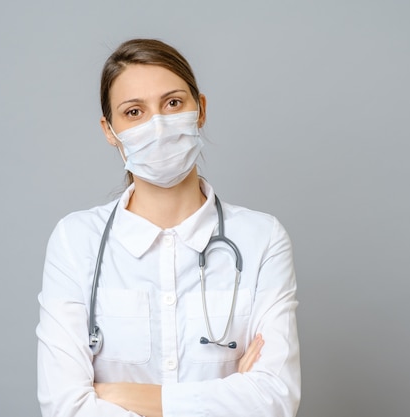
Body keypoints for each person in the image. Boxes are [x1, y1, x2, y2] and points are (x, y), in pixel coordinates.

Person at [36, 38, 300, 417]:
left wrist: (124, 395)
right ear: (110, 131)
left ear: (201, 110)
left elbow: (275, 400)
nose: (158, 126)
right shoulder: (75, 241)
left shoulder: (262, 238)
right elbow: (65, 407)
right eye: (134, 112)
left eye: (173, 103)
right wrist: (230, 396)